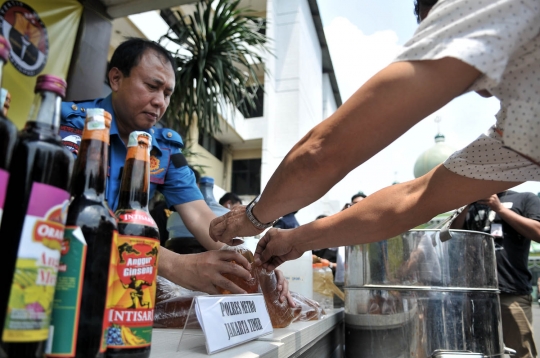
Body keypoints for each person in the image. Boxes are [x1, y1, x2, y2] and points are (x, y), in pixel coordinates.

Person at [209, 0, 540, 279]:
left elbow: (324, 152)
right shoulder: (522, 129)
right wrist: (297, 239)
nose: (478, 87)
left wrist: (253, 216)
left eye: (439, 35)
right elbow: (412, 200)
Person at [59, 38, 292, 303]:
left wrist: (256, 267)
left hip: (116, 287)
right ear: (115, 78)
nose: (159, 102)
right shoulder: (72, 126)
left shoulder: (164, 149)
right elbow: (63, 213)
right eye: (151, 87)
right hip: (59, 273)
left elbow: (204, 219)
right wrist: (174, 264)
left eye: (167, 93)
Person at [451, 191, 540, 358]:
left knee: (521, 352)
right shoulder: (468, 203)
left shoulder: (524, 199)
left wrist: (499, 209)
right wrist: (464, 205)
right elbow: (451, 238)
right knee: (477, 351)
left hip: (511, 292)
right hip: (474, 295)